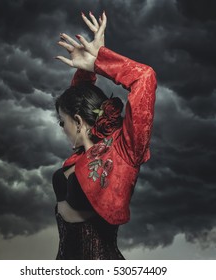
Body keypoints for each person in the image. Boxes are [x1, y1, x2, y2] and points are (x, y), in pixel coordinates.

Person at [53, 11, 157, 259]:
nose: (61, 127)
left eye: (62, 122)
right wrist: (87, 68)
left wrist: (101, 61)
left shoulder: (125, 150)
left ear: (78, 122)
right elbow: (78, 101)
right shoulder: (78, 156)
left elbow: (145, 77)